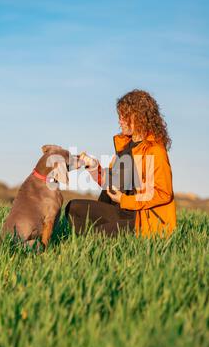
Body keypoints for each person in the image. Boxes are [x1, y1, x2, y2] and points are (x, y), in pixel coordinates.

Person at [65, 89, 176, 238]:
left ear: (138, 117)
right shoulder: (124, 147)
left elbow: (163, 193)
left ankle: (94, 240)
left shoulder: (154, 150)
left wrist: (125, 200)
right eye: (120, 116)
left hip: (140, 219)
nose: (120, 121)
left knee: (95, 235)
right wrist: (92, 166)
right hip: (119, 210)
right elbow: (111, 183)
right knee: (73, 208)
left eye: (124, 116)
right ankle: (87, 238)